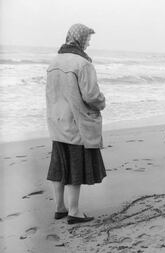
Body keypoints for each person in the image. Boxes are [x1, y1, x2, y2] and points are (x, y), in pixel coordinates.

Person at [46, 24, 106, 224]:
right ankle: (74, 211)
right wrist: (102, 102)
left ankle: (59, 208)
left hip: (56, 122)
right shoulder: (82, 63)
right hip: (75, 123)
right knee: (75, 167)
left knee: (58, 166)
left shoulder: (54, 62)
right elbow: (91, 95)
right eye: (88, 38)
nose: (89, 42)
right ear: (79, 38)